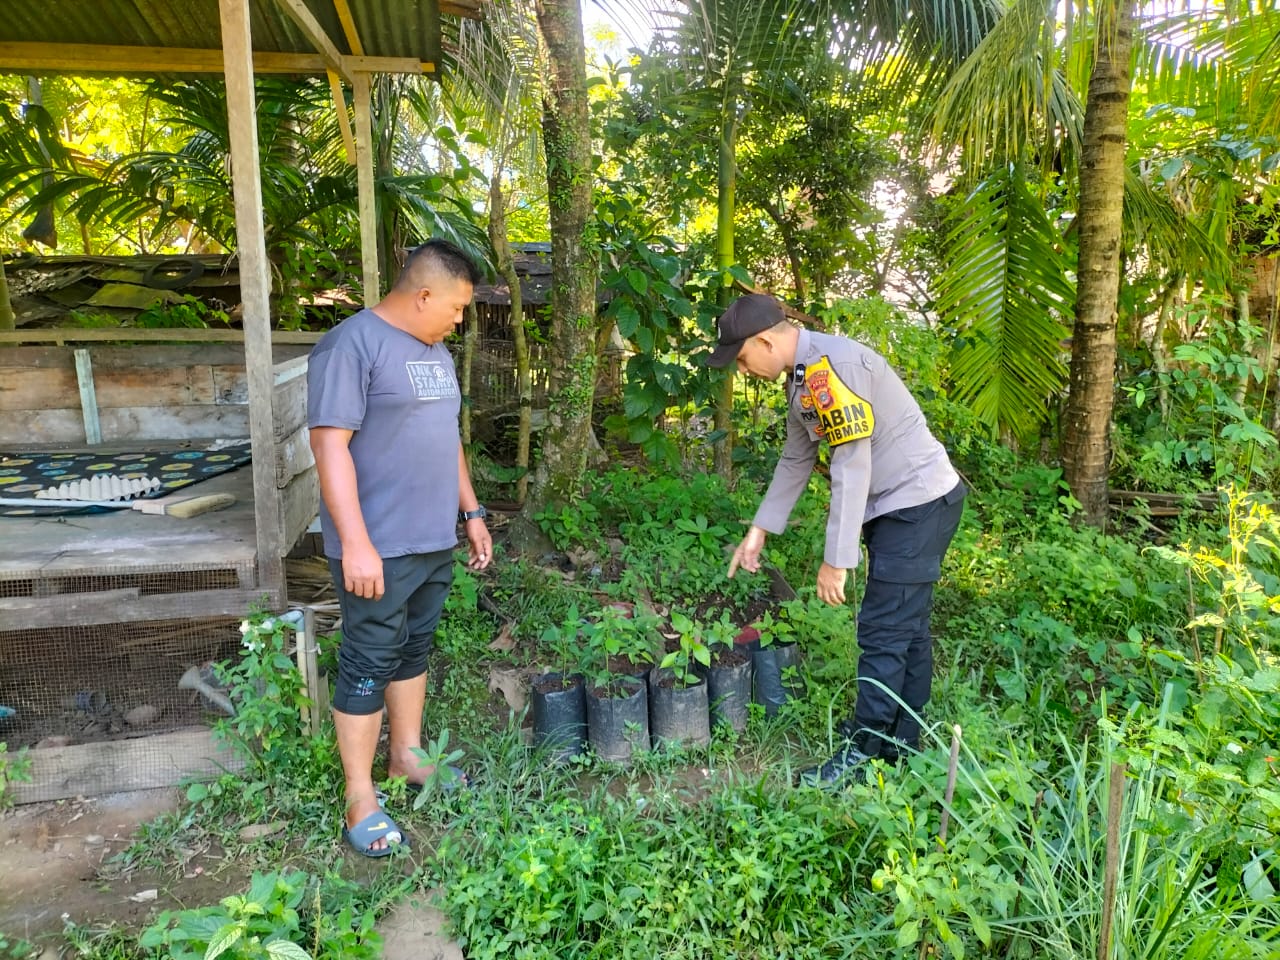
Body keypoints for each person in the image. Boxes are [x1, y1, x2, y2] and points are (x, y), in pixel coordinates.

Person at [708, 293, 966, 785]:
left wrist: (837, 559)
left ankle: (866, 749)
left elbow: (852, 462)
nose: (742, 370)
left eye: (742, 359)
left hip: (916, 504)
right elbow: (795, 459)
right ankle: (901, 742)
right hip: (906, 506)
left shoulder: (831, 369)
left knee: (883, 629)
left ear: (765, 340)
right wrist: (758, 531)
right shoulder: (803, 377)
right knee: (904, 627)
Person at [307, 239, 492, 857]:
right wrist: (355, 543)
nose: (460, 321)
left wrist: (471, 511)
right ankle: (360, 797)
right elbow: (330, 447)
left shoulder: (435, 352)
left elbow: (446, 437)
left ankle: (407, 759)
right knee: (369, 657)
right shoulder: (350, 345)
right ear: (422, 295)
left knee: (414, 646)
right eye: (458, 308)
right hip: (378, 544)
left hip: (431, 536)